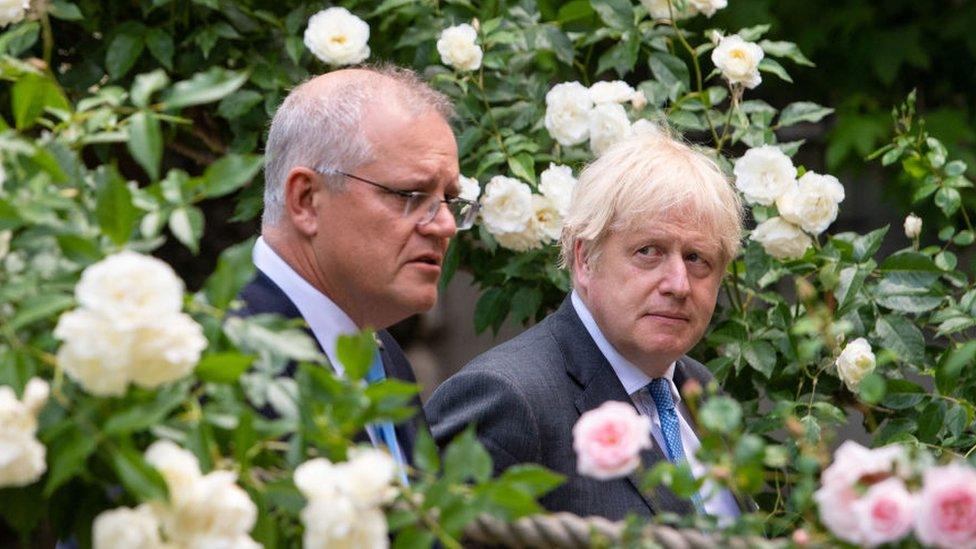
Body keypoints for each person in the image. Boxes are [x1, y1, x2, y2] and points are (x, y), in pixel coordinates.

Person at [425, 131, 746, 520]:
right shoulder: (509, 400)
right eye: (648, 252)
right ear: (585, 259)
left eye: (697, 259)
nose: (678, 284)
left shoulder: (699, 390)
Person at [235, 66, 478, 470]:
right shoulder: (224, 352)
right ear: (307, 200)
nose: (445, 224)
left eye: (449, 198)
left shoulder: (383, 354)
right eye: (410, 194)